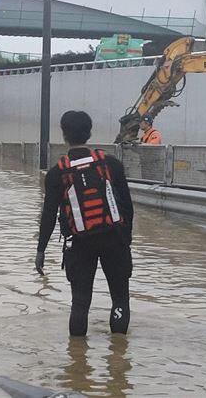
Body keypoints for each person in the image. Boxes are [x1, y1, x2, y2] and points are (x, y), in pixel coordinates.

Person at [35, 110, 134, 336]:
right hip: (114, 238)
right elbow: (127, 207)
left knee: (80, 303)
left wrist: (41, 250)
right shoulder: (111, 164)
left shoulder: (56, 174)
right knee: (120, 298)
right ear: (89, 133)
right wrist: (126, 240)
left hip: (79, 242)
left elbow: (48, 215)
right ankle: (119, 361)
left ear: (64, 135)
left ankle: (78, 362)